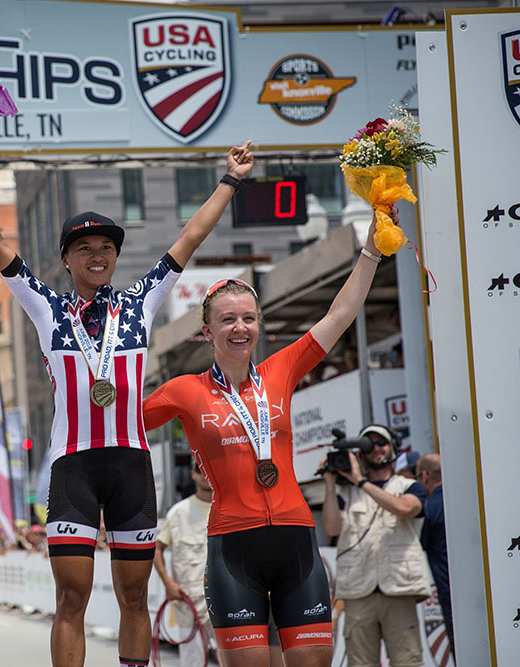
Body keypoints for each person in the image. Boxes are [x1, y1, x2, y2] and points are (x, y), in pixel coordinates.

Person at [0, 136, 255, 667]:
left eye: (106, 246)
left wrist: (231, 180)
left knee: (134, 597)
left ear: (116, 256)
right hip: (73, 469)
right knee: (70, 600)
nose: (98, 255)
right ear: (66, 260)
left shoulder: (141, 302)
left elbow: (190, 236)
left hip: (132, 466)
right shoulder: (46, 308)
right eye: (84, 248)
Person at [143, 215, 389, 667]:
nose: (240, 327)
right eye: (227, 320)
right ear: (207, 331)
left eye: (248, 318)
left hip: (296, 541)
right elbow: (118, 423)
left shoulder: (281, 370)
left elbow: (339, 315)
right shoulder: (184, 391)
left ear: (259, 324)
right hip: (233, 547)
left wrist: (371, 250)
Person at [321, 424, 431, 667]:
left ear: (392, 448)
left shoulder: (408, 486)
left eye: (381, 443)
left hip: (398, 588)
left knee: (408, 662)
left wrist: (360, 482)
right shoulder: (346, 492)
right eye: (368, 445)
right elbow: (331, 528)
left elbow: (404, 508)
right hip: (358, 591)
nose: (376, 449)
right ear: (360, 455)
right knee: (361, 664)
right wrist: (329, 483)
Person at [153, 462, 213, 667]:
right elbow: (157, 549)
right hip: (189, 600)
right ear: (193, 474)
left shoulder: (228, 509)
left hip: (226, 599)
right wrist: (168, 583)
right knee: (192, 662)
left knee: (234, 658)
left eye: (209, 470)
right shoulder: (178, 512)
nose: (205, 475)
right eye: (200, 471)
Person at [416, 452, 453, 662]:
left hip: (450, 596)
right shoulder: (464, 500)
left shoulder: (429, 507)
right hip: (484, 593)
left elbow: (418, 544)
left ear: (424, 476)